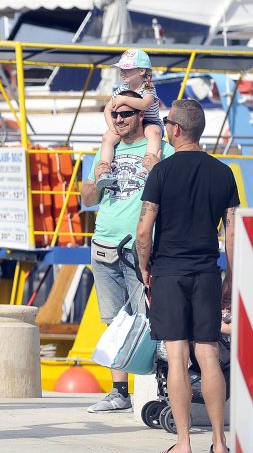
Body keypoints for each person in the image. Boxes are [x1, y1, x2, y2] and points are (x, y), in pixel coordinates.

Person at [136, 99, 238, 453]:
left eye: (167, 123)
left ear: (176, 129)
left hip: (168, 272)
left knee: (177, 355)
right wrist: (231, 277)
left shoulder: (161, 173)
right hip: (207, 273)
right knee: (208, 354)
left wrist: (145, 266)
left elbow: (144, 229)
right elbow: (232, 233)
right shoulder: (224, 173)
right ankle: (220, 443)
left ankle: (183, 443)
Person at [81, 90, 174, 414]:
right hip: (104, 243)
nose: (120, 119)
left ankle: (157, 390)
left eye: (127, 114)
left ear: (139, 116)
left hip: (140, 248)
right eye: (116, 114)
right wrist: (96, 183)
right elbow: (87, 198)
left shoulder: (161, 148)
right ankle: (119, 392)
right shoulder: (107, 150)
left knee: (150, 320)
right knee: (113, 321)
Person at [97, 49, 164, 188]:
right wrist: (113, 128)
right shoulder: (122, 89)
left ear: (141, 71)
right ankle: (104, 170)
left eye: (127, 69)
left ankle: (147, 167)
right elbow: (107, 110)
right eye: (121, 69)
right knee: (106, 138)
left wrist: (123, 99)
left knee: (154, 133)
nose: (122, 72)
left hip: (149, 122)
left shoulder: (148, 86)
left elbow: (145, 104)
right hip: (127, 124)